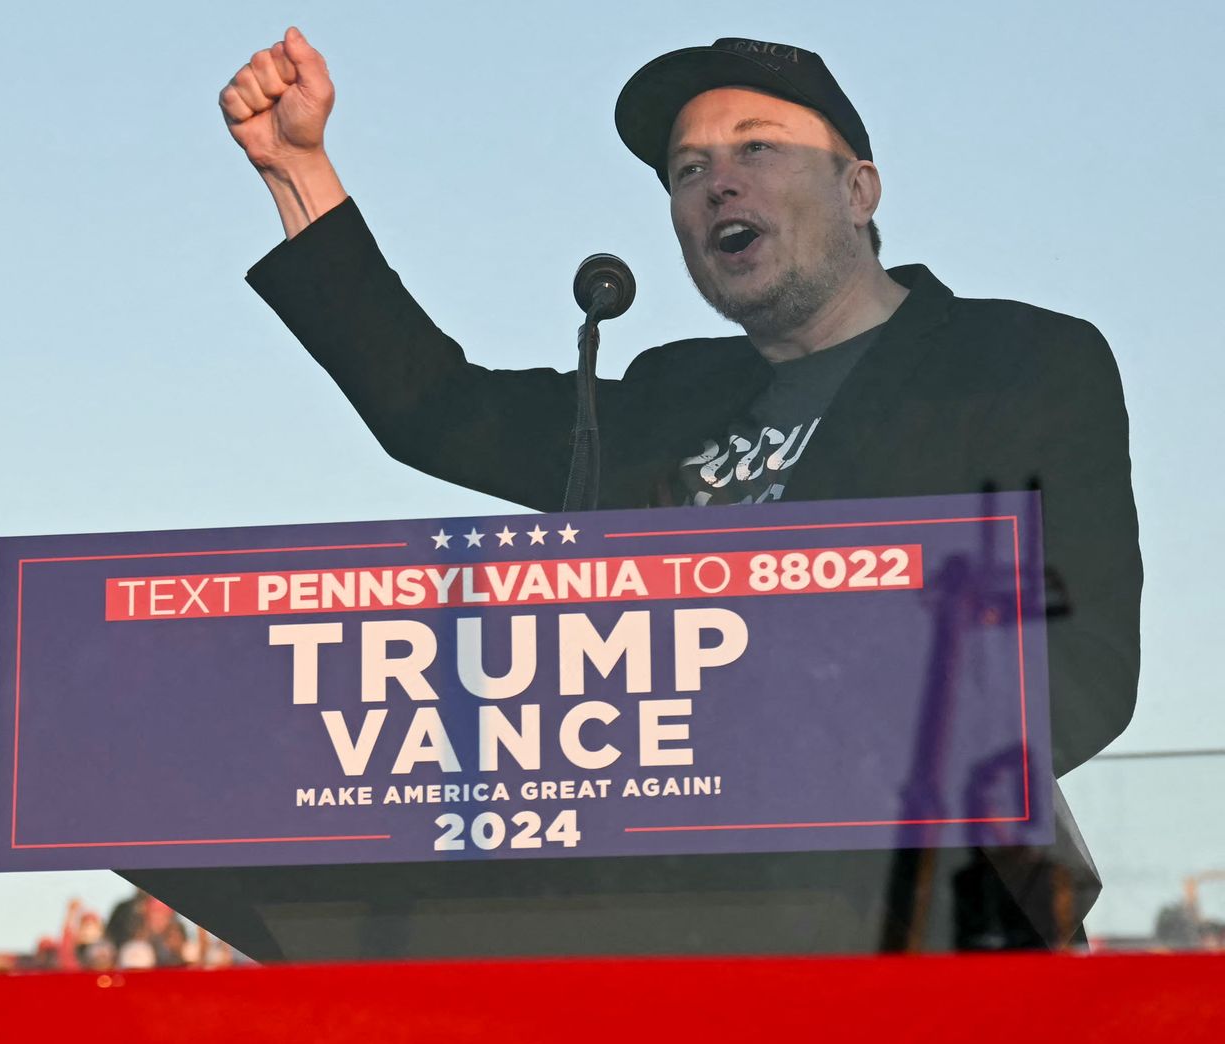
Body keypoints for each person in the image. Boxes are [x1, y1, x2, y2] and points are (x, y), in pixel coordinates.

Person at [222, 31, 1140, 944]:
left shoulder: (1017, 363)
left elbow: (1081, 667)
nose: (717, 183)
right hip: (680, 928)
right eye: (687, 170)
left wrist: (830, 762)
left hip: (931, 923)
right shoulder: (669, 396)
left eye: (758, 147)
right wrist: (298, 169)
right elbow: (438, 409)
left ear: (858, 191)